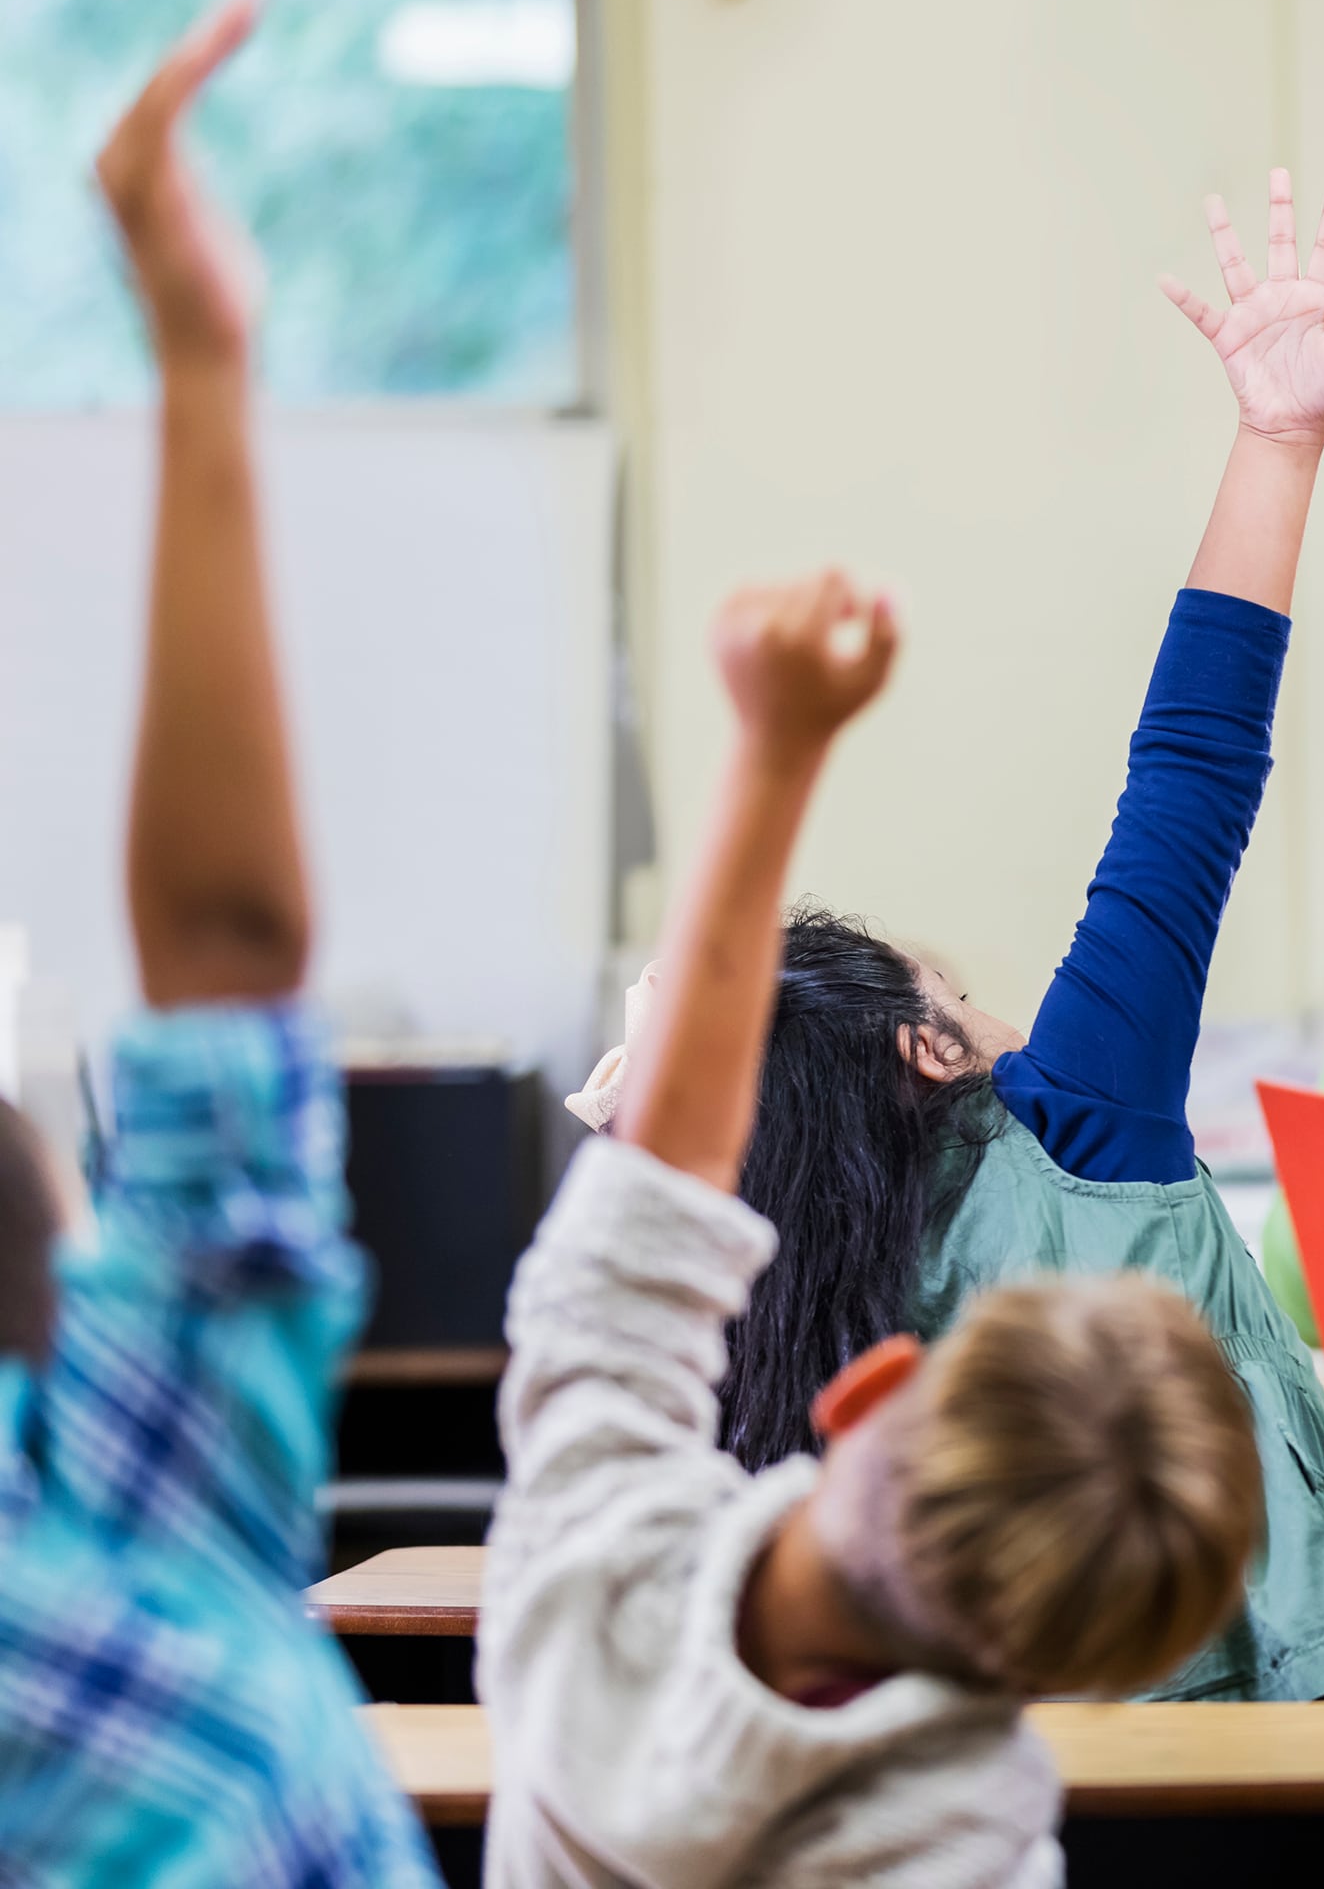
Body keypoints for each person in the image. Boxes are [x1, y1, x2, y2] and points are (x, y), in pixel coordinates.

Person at [567, 172, 1324, 1704]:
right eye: (958, 988)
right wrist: (1279, 441)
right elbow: (1192, 774)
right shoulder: (1077, 1127)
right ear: (928, 1049)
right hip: (1245, 1760)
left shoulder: (754, 1311)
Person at [481, 564, 1266, 1887]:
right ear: (1089, 1664)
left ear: (873, 1392)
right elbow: (1185, 806)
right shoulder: (978, 1829)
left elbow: (645, 1228)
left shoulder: (585, 1566)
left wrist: (776, 746)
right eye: (960, 990)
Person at [0, 0, 439, 1887]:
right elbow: (228, 952)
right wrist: (197, 356)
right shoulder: (128, 1541)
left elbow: (222, 966)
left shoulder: (107, 1514)